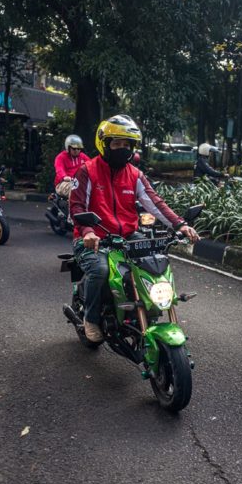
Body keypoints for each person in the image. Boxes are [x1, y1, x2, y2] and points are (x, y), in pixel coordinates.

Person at [70, 114, 200, 342]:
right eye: (117, 143)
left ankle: (144, 307)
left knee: (154, 262)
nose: (122, 149)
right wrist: (87, 231)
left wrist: (180, 224)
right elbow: (77, 206)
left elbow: (155, 203)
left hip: (129, 235)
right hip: (94, 237)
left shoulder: (135, 175)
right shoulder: (87, 171)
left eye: (127, 144)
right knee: (100, 270)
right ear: (104, 144)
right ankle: (90, 318)